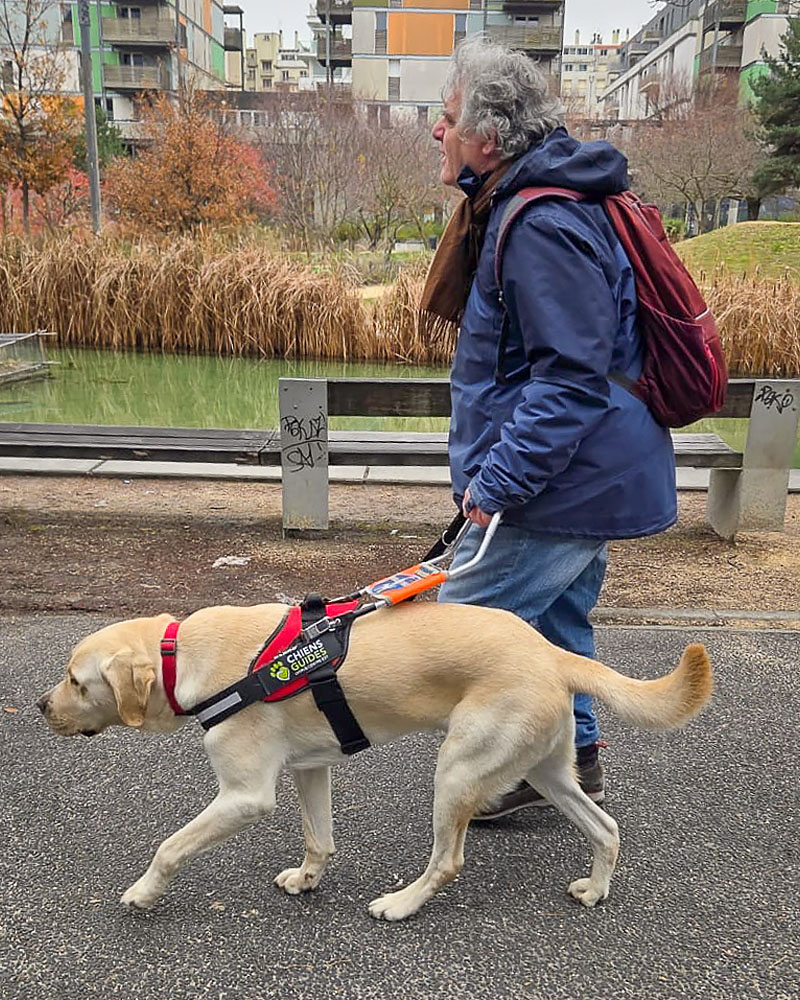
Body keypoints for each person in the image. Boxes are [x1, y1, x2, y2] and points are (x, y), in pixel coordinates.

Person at [424, 38, 677, 818]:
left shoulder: (540, 225)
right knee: (555, 625)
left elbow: (568, 380)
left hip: (560, 482)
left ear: (487, 141)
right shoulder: (528, 207)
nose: (438, 131)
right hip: (584, 474)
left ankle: (485, 776)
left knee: (446, 635)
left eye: (448, 116)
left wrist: (495, 485)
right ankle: (570, 768)